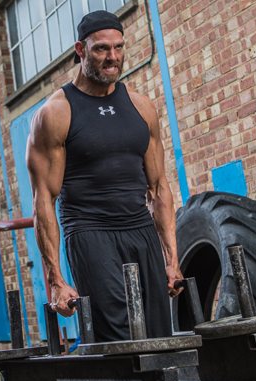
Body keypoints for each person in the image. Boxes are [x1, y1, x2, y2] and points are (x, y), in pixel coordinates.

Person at [26, 10, 183, 342]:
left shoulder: (141, 108)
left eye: (118, 48)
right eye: (101, 49)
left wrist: (172, 260)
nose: (112, 58)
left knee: (158, 334)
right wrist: (56, 279)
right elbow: (44, 201)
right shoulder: (56, 113)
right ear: (80, 50)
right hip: (89, 231)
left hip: (139, 229)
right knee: (117, 335)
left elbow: (158, 188)